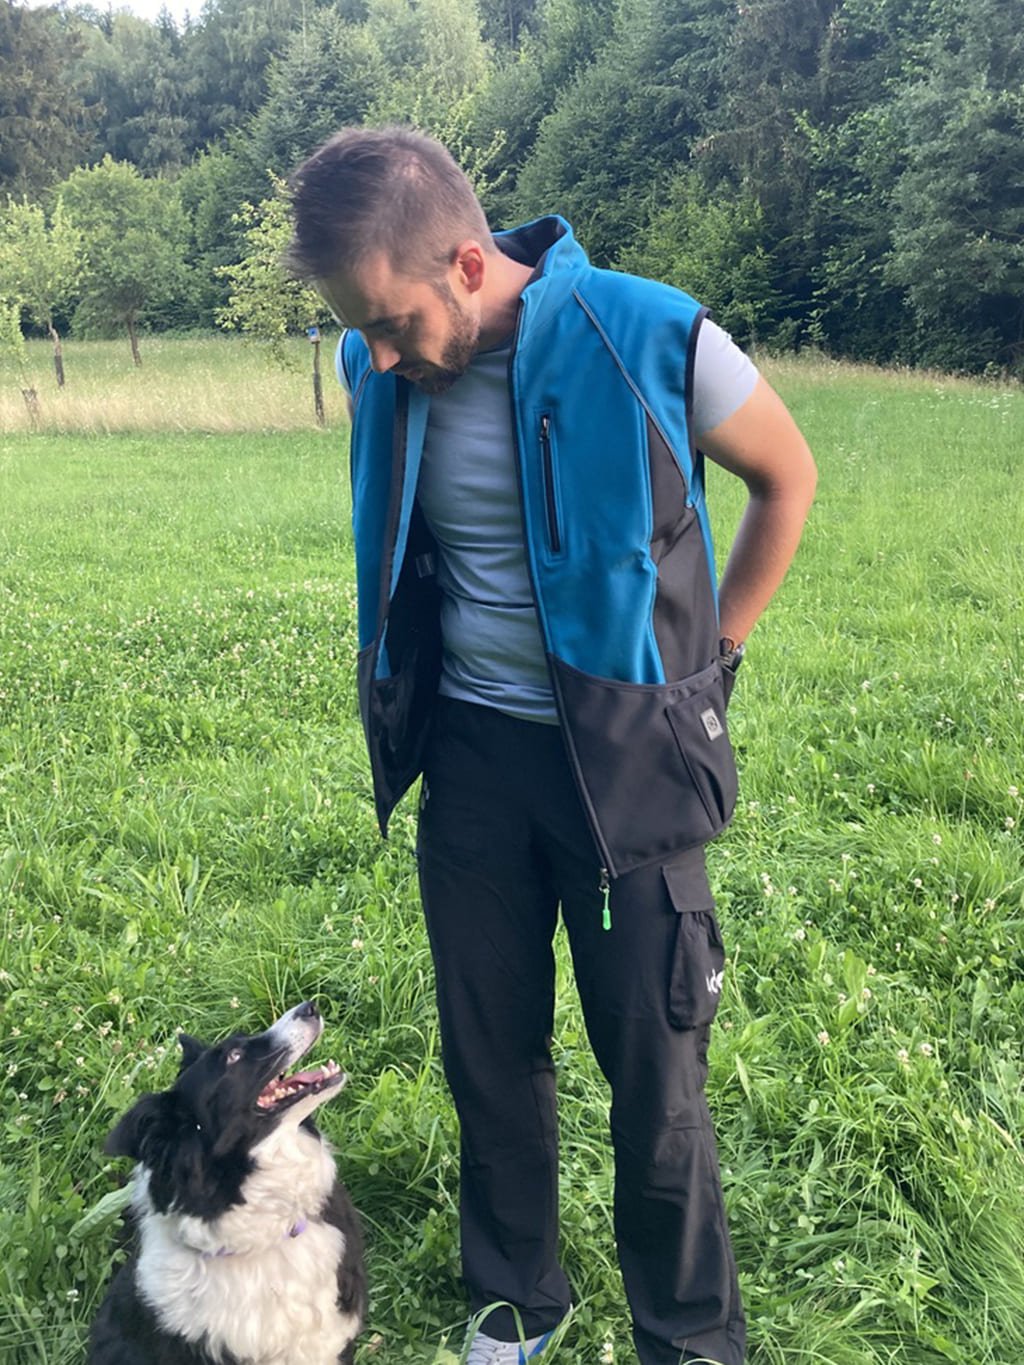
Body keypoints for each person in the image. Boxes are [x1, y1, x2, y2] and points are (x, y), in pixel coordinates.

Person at [286, 125, 817, 1365]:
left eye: (390, 322)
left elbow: (785, 478)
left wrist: (702, 673)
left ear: (468, 264)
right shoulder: (388, 373)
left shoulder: (650, 335)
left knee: (655, 1080)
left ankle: (687, 1336)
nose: (371, 357)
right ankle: (516, 1298)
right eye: (352, 330)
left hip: (625, 766)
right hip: (471, 760)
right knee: (488, 1047)